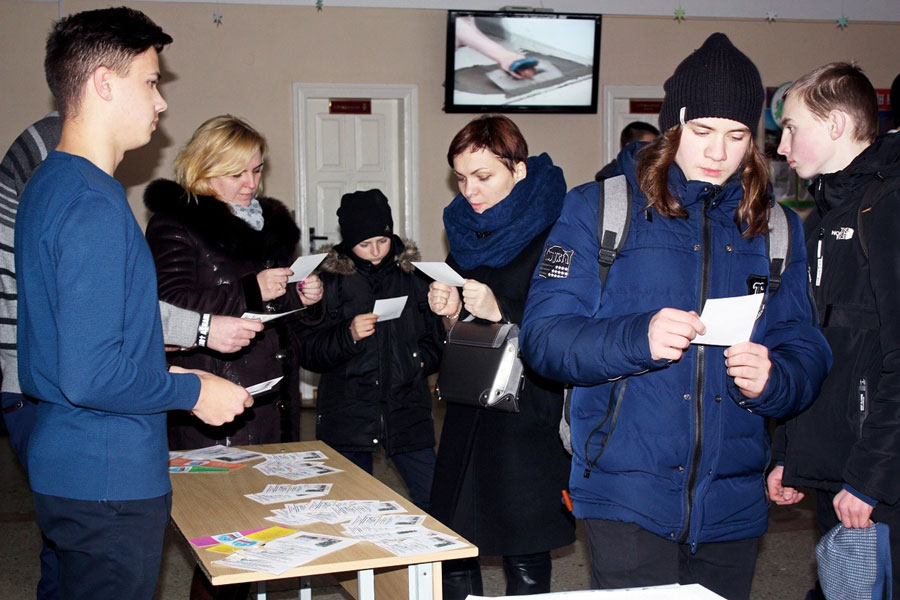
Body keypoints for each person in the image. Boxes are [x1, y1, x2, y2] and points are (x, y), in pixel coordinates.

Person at [520, 33, 832, 600]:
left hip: (733, 500)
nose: (718, 152)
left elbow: (804, 345)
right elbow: (543, 339)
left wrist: (777, 379)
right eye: (703, 132)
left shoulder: (780, 228)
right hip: (625, 490)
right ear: (673, 129)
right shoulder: (598, 208)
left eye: (737, 135)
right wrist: (637, 337)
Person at [14, 8, 251, 600]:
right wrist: (195, 389)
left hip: (67, 459)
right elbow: (91, 374)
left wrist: (163, 366)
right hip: (107, 473)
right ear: (103, 82)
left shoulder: (49, 184)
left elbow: (86, 341)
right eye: (151, 81)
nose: (161, 101)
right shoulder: (93, 204)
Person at [426, 115, 574, 598]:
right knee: (456, 537)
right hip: (470, 403)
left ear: (520, 169)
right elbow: (457, 332)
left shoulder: (558, 227)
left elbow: (571, 323)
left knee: (524, 540)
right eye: (462, 178)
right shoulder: (465, 228)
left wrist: (502, 310)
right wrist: (449, 313)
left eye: (484, 176)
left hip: (527, 408)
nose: (470, 190)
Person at [768, 62, 900, 600]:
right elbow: (816, 347)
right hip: (840, 469)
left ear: (839, 124)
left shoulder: (888, 208)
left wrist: (871, 477)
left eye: (794, 127)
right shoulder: (821, 218)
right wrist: (788, 454)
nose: (781, 147)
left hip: (877, 479)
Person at [145, 114, 324, 451]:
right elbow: (168, 308)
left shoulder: (269, 225)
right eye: (236, 174)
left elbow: (276, 309)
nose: (251, 184)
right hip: (214, 394)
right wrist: (251, 289)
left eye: (256, 171)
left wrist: (303, 298)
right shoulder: (176, 223)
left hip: (275, 391)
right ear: (203, 169)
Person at [297, 189, 444, 511]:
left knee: (435, 500)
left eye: (383, 240)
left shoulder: (414, 277)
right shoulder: (327, 281)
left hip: (407, 409)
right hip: (347, 413)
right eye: (365, 244)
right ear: (348, 242)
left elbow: (437, 344)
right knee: (351, 505)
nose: (376, 252)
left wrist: (417, 362)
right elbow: (308, 352)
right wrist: (347, 336)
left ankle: (451, 563)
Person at [595, 120, 660, 181]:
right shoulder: (609, 177)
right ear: (629, 147)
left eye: (655, 147)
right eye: (646, 146)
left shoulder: (654, 173)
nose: (653, 152)